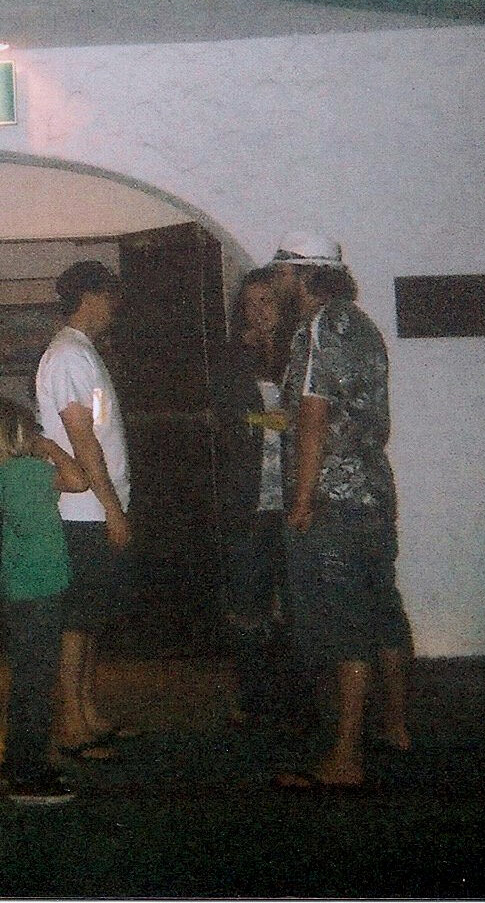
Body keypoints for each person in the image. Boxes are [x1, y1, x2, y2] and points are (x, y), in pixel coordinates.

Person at [266, 233, 413, 791]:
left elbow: (313, 416)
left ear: (304, 274)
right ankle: (394, 726)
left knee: (344, 622)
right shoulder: (361, 323)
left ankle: (345, 758)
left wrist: (301, 499)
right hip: (373, 492)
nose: (278, 281)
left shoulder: (318, 327)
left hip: (332, 499)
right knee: (381, 609)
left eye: (283, 272)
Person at [34, 259, 133, 760]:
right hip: (83, 512)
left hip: (94, 507)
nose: (115, 307)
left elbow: (96, 428)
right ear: (90, 296)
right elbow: (82, 439)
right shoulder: (69, 354)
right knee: (76, 619)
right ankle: (71, 724)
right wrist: (112, 507)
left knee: (90, 616)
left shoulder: (83, 353)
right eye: (110, 296)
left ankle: (87, 713)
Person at [0, 395, 89, 805]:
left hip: (21, 587)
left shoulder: (0, 475)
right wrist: (53, 448)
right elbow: (78, 479)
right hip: (40, 588)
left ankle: (19, 760)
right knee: (37, 683)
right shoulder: (27, 471)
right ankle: (28, 773)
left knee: (28, 680)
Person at [212, 266, 301, 728]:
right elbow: (231, 417)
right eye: (250, 303)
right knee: (247, 605)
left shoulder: (299, 354)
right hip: (247, 499)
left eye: (267, 301)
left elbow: (312, 420)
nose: (259, 312)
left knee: (295, 605)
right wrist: (279, 422)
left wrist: (274, 420)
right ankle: (251, 698)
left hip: (294, 500)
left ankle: (294, 700)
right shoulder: (232, 359)